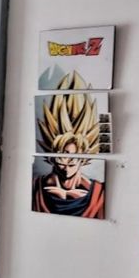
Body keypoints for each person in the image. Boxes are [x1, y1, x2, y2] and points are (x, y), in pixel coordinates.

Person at [33, 71, 105, 218]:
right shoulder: (36, 187)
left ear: (82, 160)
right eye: (61, 162)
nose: (66, 169)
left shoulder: (99, 193)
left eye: (72, 163)